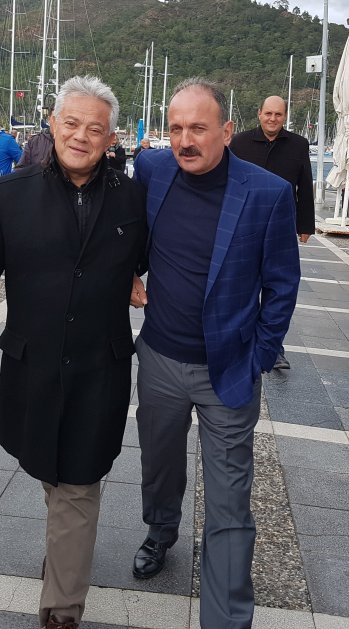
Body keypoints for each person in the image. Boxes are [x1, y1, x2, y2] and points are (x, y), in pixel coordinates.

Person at [0, 75, 147, 629]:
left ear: (111, 138)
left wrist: (137, 278)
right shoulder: (8, 195)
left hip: (100, 366)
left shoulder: (133, 197)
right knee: (50, 471)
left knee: (79, 480)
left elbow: (150, 255)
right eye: (72, 123)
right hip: (32, 364)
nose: (81, 136)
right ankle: (66, 550)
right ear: (53, 125)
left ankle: (61, 607)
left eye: (95, 129)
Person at [130, 78, 300, 629]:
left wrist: (259, 355)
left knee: (229, 501)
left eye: (198, 129)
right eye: (176, 128)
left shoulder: (267, 193)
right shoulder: (152, 170)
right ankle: (161, 531)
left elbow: (282, 286)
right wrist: (129, 270)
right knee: (159, 465)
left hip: (228, 370)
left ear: (226, 132)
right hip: (159, 359)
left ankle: (227, 618)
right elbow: (124, 229)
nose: (185, 140)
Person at [229, 95, 314, 369]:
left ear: (285, 116)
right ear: (259, 114)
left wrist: (305, 225)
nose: (272, 119)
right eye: (268, 113)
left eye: (278, 114)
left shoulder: (298, 144)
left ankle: (274, 347)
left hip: (281, 229)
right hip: (244, 226)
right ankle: (239, 339)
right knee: (242, 284)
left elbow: (305, 185)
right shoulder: (239, 142)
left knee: (278, 288)